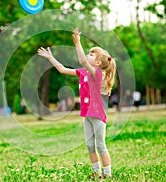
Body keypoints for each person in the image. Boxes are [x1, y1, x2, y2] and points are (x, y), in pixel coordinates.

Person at [37, 28, 116, 179]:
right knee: (89, 145)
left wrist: (78, 43)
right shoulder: (83, 72)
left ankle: (107, 174)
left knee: (100, 145)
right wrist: (50, 58)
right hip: (88, 115)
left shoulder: (96, 74)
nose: (88, 55)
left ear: (98, 62)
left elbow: (83, 61)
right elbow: (62, 69)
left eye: (91, 54)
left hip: (98, 116)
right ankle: (96, 172)